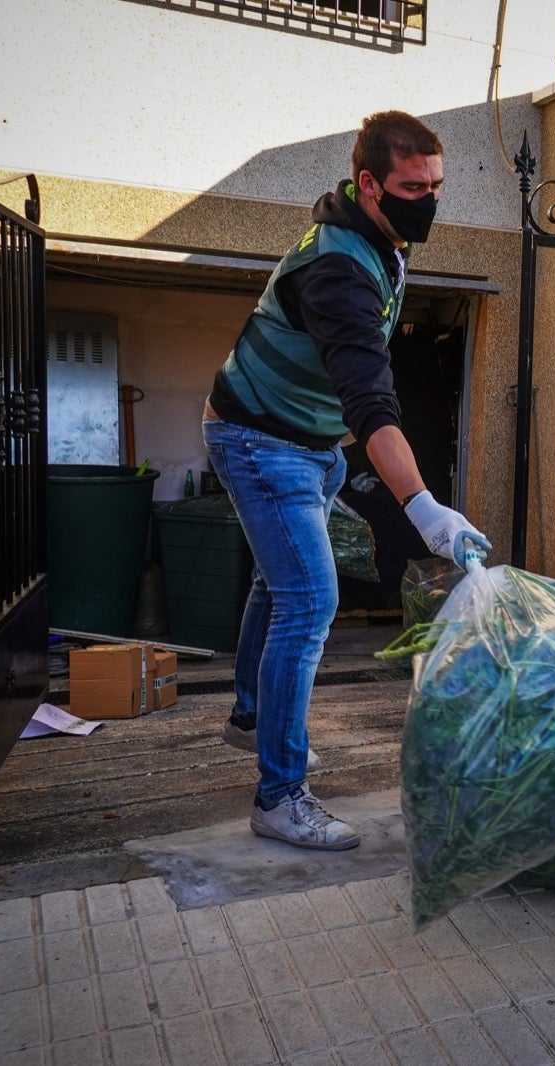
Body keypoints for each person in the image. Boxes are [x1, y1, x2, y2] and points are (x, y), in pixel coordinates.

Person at [203, 110, 491, 851]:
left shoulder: (375, 238)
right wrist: (424, 508)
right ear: (368, 185)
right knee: (310, 599)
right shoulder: (337, 267)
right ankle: (279, 796)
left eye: (436, 186)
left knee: (279, 586)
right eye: (410, 186)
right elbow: (371, 398)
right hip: (260, 437)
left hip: (306, 440)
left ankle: (249, 717)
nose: (426, 199)